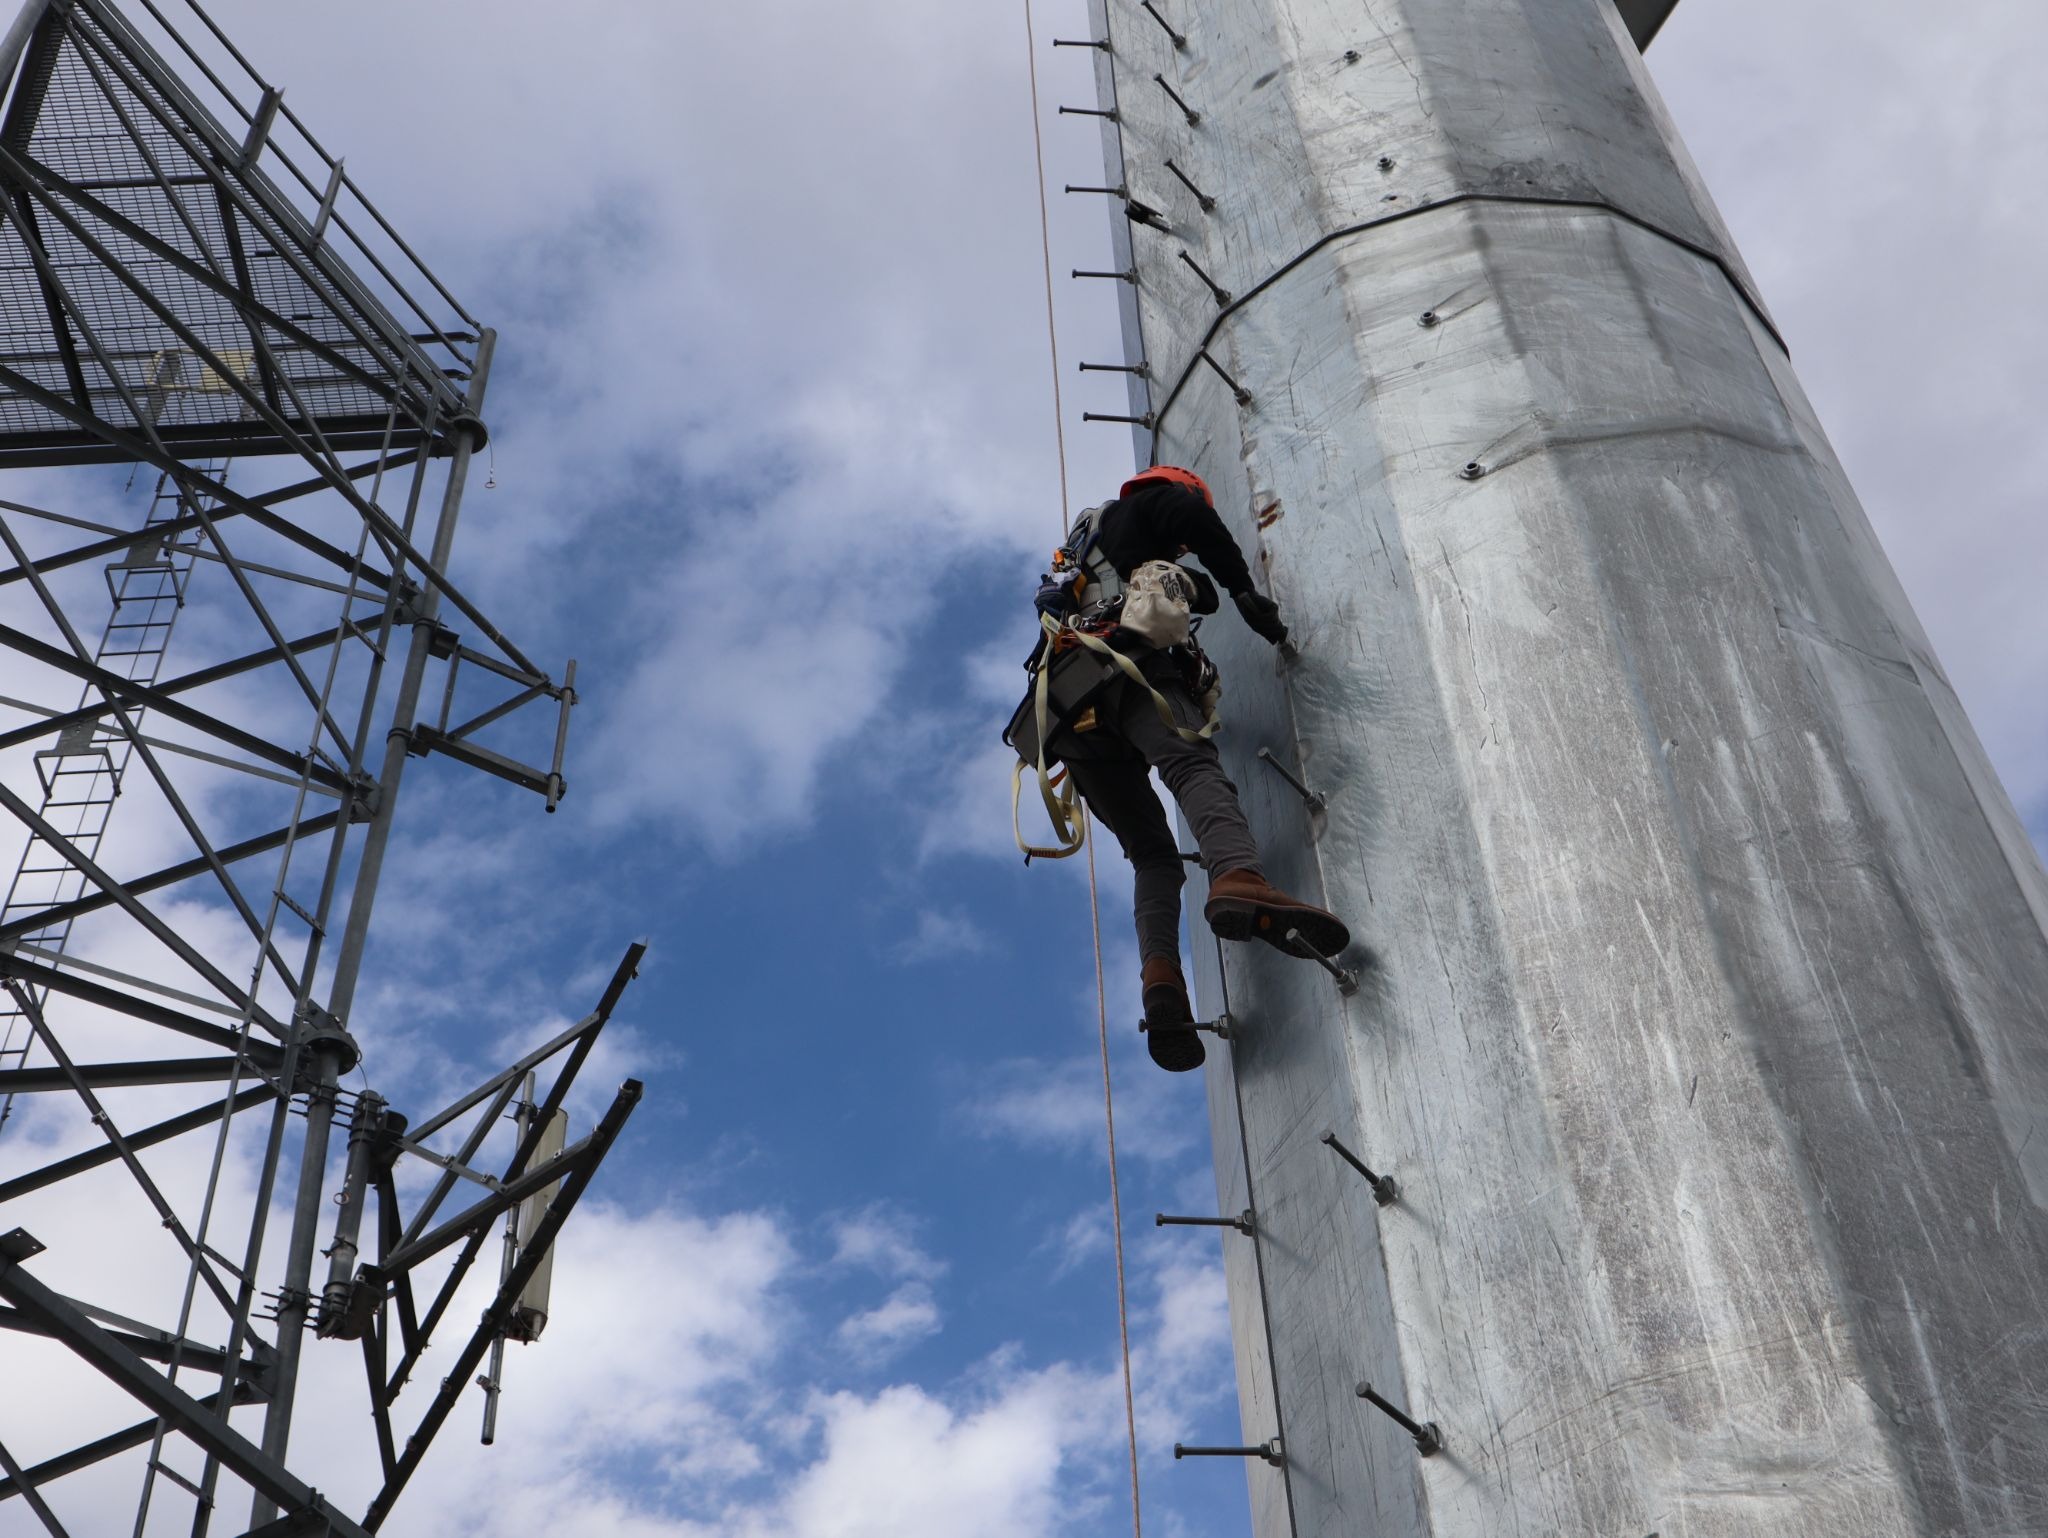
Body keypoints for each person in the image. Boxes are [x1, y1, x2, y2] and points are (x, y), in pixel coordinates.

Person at [1031, 465, 1350, 1073]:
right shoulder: (1151, 502)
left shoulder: (1077, 557)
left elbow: (1175, 582)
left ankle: (1162, 982)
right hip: (1128, 670)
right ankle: (1238, 876)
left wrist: (1196, 589)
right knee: (1193, 771)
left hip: (1066, 713)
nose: (1178, 547)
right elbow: (1192, 522)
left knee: (1153, 857)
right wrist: (1240, 590)